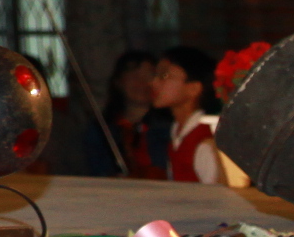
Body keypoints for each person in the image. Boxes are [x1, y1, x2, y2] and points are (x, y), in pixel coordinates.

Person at [146, 45, 223, 184]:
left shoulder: (205, 140)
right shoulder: (177, 132)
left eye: (164, 76)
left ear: (194, 88)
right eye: (155, 75)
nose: (153, 83)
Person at [82, 48, 158, 178]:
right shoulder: (101, 129)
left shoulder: (167, 127)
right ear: (118, 81)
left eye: (149, 76)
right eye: (134, 76)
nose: (142, 83)